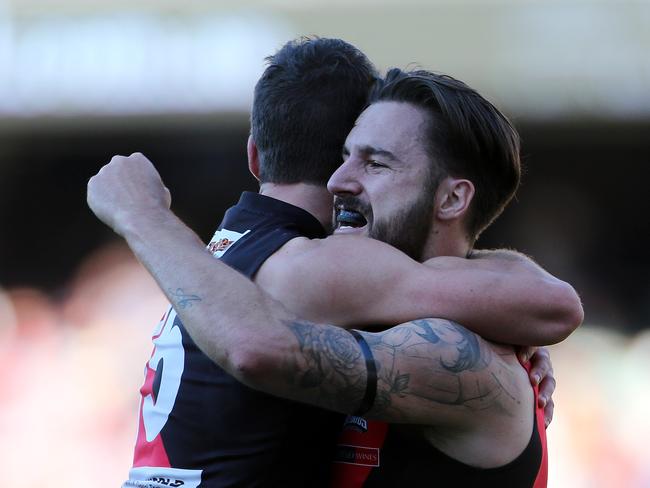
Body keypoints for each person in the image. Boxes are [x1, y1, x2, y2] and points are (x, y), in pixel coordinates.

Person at [88, 39, 580, 487]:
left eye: (375, 162)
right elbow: (547, 303)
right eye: (342, 156)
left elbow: (259, 347)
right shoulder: (343, 290)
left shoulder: (454, 350)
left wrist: (143, 217)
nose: (338, 179)